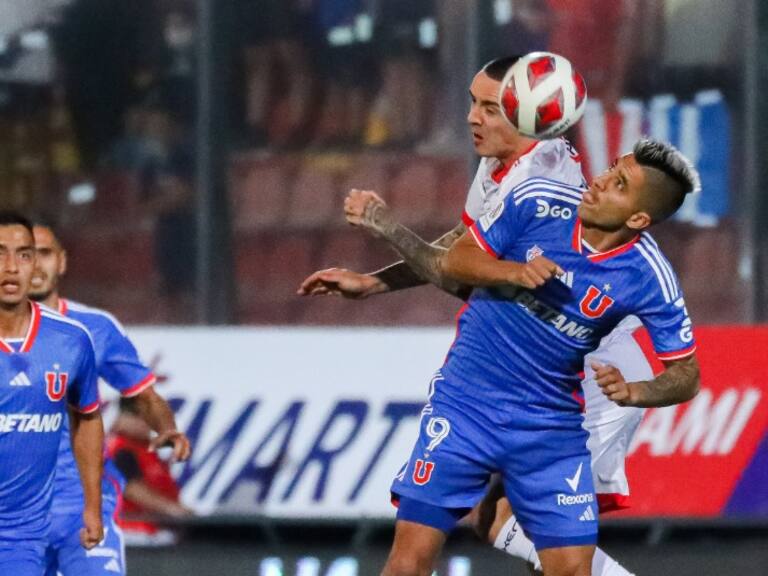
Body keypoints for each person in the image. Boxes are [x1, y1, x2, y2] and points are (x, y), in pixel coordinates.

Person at [299, 58, 649, 576]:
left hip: (592, 379)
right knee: (494, 519)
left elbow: (460, 275)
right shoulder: (503, 162)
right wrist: (374, 282)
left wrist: (386, 225)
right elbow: (461, 246)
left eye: (490, 107)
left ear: (530, 115)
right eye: (472, 101)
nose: (472, 118)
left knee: (544, 543)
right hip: (527, 380)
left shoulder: (541, 179)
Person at [29, 221, 192, 576]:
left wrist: (167, 427)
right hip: (15, 510)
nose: (36, 264)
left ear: (62, 261)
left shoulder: (97, 327)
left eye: (45, 253)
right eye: (27, 255)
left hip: (83, 502)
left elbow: (144, 394)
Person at [0, 211, 104, 575]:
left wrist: (92, 504)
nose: (11, 267)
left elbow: (88, 417)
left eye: (24, 254)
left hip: (19, 539)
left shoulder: (70, 341)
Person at [107, 398, 193, 546]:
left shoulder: (142, 447)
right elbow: (131, 489)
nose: (146, 425)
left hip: (150, 528)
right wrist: (174, 510)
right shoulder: (119, 448)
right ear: (123, 417)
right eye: (141, 418)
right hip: (130, 530)